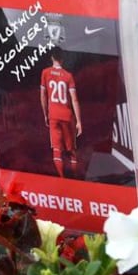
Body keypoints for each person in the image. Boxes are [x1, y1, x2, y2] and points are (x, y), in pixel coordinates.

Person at [40, 47, 82, 178]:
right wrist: (79, 121)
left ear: (52, 58)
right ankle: (75, 180)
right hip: (67, 116)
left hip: (54, 115)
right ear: (62, 59)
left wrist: (45, 114)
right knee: (72, 151)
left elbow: (43, 95)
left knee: (57, 151)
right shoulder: (68, 76)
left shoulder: (45, 73)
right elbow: (74, 99)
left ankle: (62, 180)